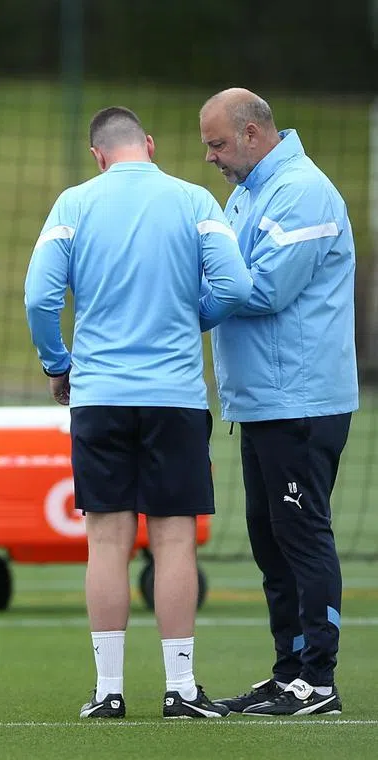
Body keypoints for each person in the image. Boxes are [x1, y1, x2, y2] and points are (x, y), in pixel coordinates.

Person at [24, 106, 252, 720]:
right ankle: (180, 689)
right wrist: (190, 317)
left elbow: (40, 296)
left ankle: (108, 691)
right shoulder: (196, 200)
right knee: (174, 540)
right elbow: (233, 286)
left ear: (98, 155)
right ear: (148, 145)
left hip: (98, 394)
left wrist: (57, 364)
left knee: (106, 540)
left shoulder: (73, 204)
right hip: (174, 395)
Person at [200, 88, 357, 716]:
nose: (210, 156)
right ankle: (289, 668)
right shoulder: (249, 191)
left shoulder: (302, 191)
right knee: (269, 538)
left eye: (216, 143)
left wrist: (178, 310)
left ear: (252, 133)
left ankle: (317, 680)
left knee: (301, 534)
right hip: (262, 401)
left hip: (301, 399)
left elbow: (260, 288)